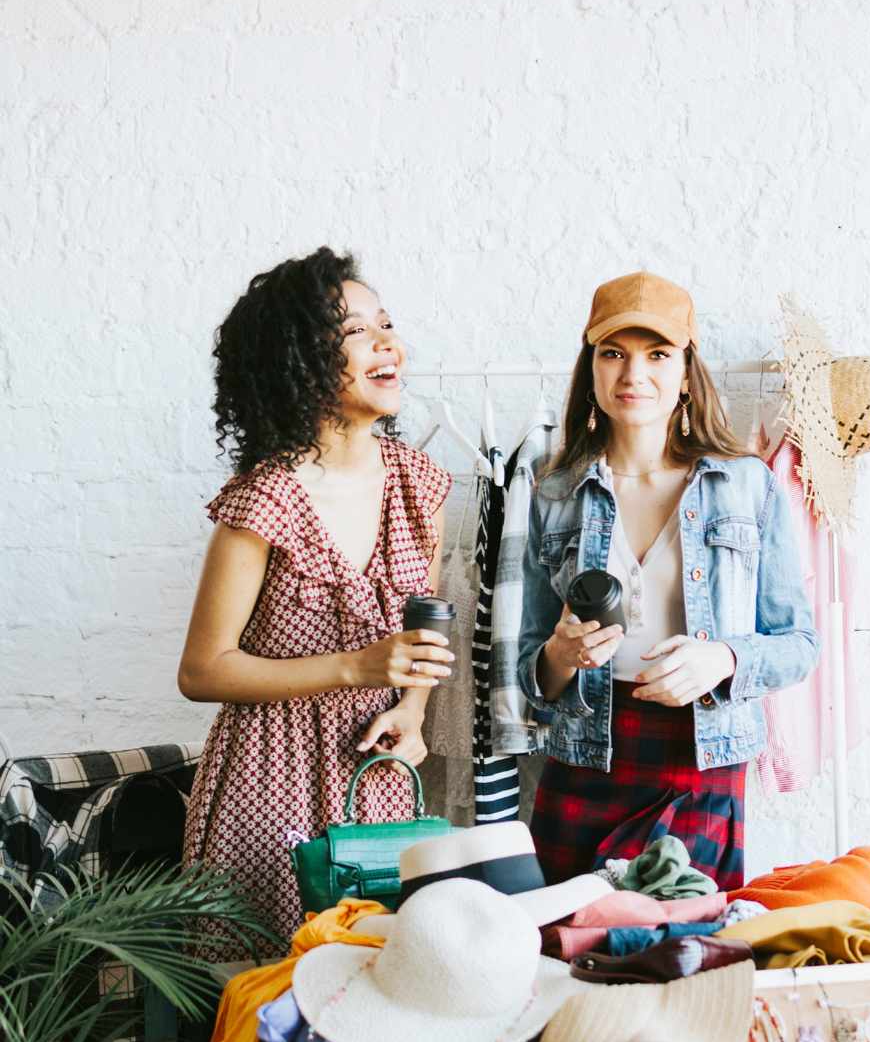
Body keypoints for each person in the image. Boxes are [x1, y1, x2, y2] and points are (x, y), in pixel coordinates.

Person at [179, 247, 455, 955]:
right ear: (299, 361)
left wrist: (414, 713)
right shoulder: (263, 501)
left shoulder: (420, 484)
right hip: (264, 782)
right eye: (356, 331)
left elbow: (420, 640)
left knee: (378, 982)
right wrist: (355, 667)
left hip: (376, 781)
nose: (387, 341)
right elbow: (204, 670)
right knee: (264, 996)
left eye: (386, 324)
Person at [517, 271, 820, 887]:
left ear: (686, 373)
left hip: (700, 760)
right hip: (586, 758)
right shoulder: (553, 492)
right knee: (573, 955)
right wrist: (559, 655)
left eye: (657, 355)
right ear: (592, 369)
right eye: (614, 354)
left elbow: (799, 645)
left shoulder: (745, 485)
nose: (634, 375)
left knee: (686, 953)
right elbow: (528, 673)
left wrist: (724, 659)